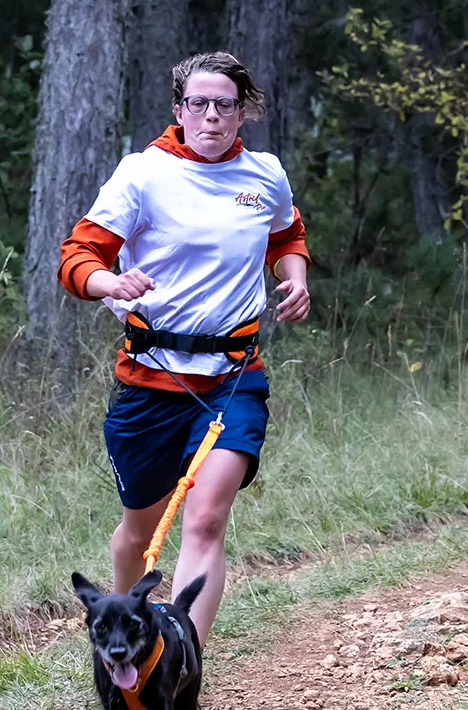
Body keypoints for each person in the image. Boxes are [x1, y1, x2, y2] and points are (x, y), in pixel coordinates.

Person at [57, 51, 311, 643]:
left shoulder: (265, 175)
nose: (213, 117)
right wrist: (110, 282)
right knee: (140, 533)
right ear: (179, 110)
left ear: (242, 113)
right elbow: (77, 257)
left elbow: (287, 233)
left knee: (204, 518)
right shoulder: (144, 174)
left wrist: (295, 277)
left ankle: (180, 664)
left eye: (226, 105)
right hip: (151, 377)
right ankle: (119, 626)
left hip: (233, 375)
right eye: (200, 104)